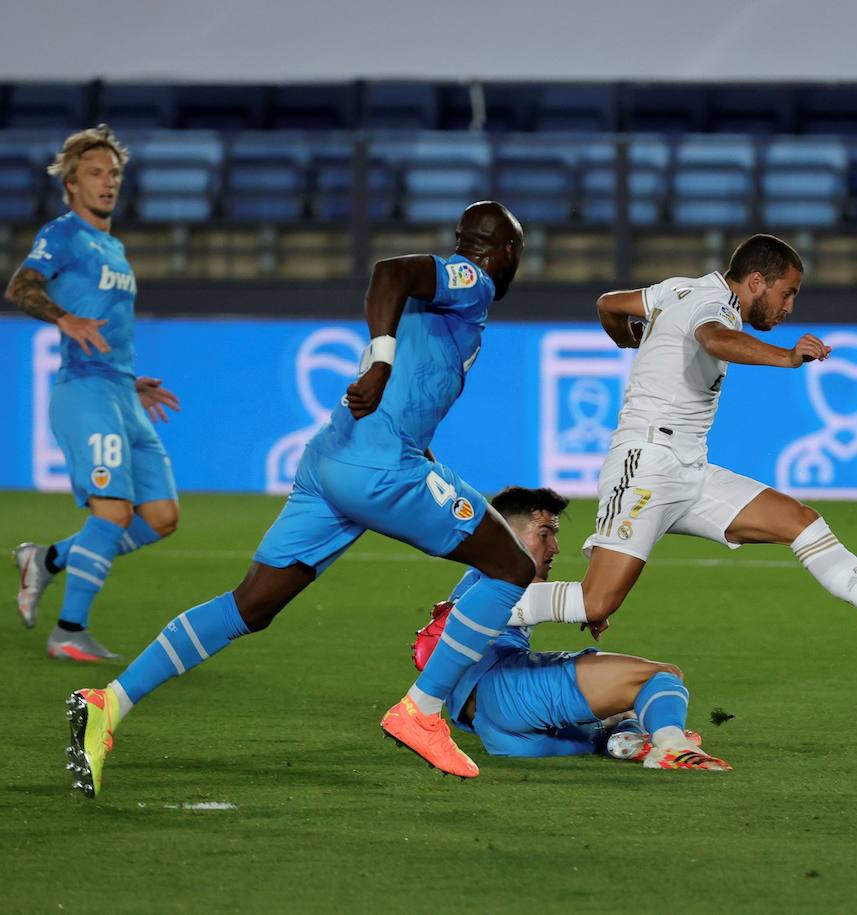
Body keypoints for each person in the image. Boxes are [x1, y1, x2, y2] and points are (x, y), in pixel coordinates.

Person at [65, 201, 530, 798]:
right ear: (504, 252)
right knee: (511, 565)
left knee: (250, 605)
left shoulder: (442, 301)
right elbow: (390, 270)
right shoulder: (474, 281)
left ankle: (110, 703)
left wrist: (397, 394)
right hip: (379, 470)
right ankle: (422, 708)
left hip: (330, 460)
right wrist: (382, 363)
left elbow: (407, 335)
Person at [505, 234, 857, 648]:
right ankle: (465, 615)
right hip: (646, 463)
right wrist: (786, 357)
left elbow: (609, 303)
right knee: (596, 602)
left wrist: (630, 340)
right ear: (758, 281)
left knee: (798, 521)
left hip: (687, 467)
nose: (788, 308)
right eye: (788, 294)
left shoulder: (677, 289)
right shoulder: (716, 305)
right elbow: (715, 340)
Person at [5, 125, 182, 661]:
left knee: (161, 517)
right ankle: (69, 631)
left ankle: (48, 559)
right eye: (95, 174)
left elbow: (104, 324)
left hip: (120, 391)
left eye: (114, 174)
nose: (108, 183)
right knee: (112, 511)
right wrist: (65, 318)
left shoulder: (112, 246)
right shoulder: (63, 234)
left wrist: (130, 379)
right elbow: (21, 286)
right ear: (72, 184)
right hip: (85, 393)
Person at [411, 486, 728, 771]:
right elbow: (500, 607)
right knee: (662, 677)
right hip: (510, 694)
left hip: (497, 733)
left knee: (616, 715)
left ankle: (623, 737)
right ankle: (671, 745)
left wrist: (583, 608)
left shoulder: (480, 574)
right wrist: (588, 604)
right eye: (544, 534)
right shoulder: (498, 574)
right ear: (507, 532)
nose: (555, 547)